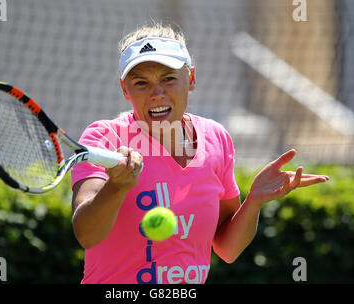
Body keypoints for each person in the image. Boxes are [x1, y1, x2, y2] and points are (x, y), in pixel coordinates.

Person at [70, 23, 329, 284]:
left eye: (168, 78)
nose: (156, 94)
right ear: (125, 89)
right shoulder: (104, 138)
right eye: (141, 83)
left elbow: (227, 249)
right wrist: (116, 187)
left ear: (191, 79)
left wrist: (253, 202)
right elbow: (87, 234)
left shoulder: (216, 138)